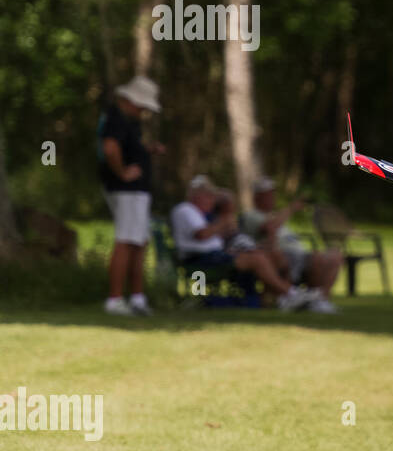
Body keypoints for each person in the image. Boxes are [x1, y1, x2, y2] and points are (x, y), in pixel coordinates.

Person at [171, 175, 317, 311]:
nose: (212, 200)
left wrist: (225, 226)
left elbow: (214, 233)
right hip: (201, 259)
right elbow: (202, 235)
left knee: (269, 255)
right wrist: (223, 222)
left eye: (212, 196)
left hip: (216, 255)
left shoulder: (201, 214)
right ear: (197, 196)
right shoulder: (186, 209)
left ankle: (276, 298)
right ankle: (291, 294)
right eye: (208, 196)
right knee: (257, 259)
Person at [97, 76, 165, 316]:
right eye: (142, 104)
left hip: (137, 192)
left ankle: (137, 299)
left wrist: (147, 151)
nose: (145, 109)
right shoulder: (116, 118)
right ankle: (114, 300)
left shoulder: (129, 122)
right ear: (131, 100)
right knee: (126, 241)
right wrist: (123, 173)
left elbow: (126, 147)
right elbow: (110, 148)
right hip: (126, 191)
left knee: (139, 242)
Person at [241, 177, 341, 313]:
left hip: (298, 253)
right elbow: (269, 227)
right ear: (257, 197)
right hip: (277, 255)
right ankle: (307, 299)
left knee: (335, 255)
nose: (271, 198)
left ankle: (321, 299)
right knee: (314, 259)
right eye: (267, 195)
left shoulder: (275, 215)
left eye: (272, 194)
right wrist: (291, 209)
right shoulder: (251, 215)